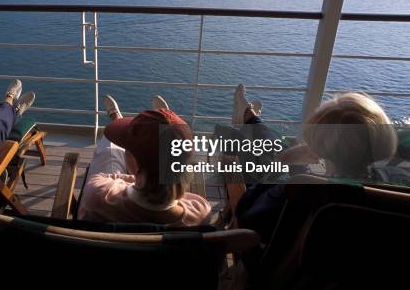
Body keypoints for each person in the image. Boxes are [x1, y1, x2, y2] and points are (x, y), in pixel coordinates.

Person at [232, 84, 397, 242]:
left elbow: (245, 214)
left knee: (265, 153)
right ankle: (251, 118)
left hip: (276, 259)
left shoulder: (300, 191)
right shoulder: (392, 188)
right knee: (277, 147)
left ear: (319, 145)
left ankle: (251, 118)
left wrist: (282, 161)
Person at [78, 94, 211, 226]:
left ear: (135, 166)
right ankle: (168, 136)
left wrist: (137, 178)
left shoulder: (98, 194)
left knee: (110, 148)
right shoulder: (201, 212)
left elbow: (102, 177)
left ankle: (116, 118)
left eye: (128, 149)